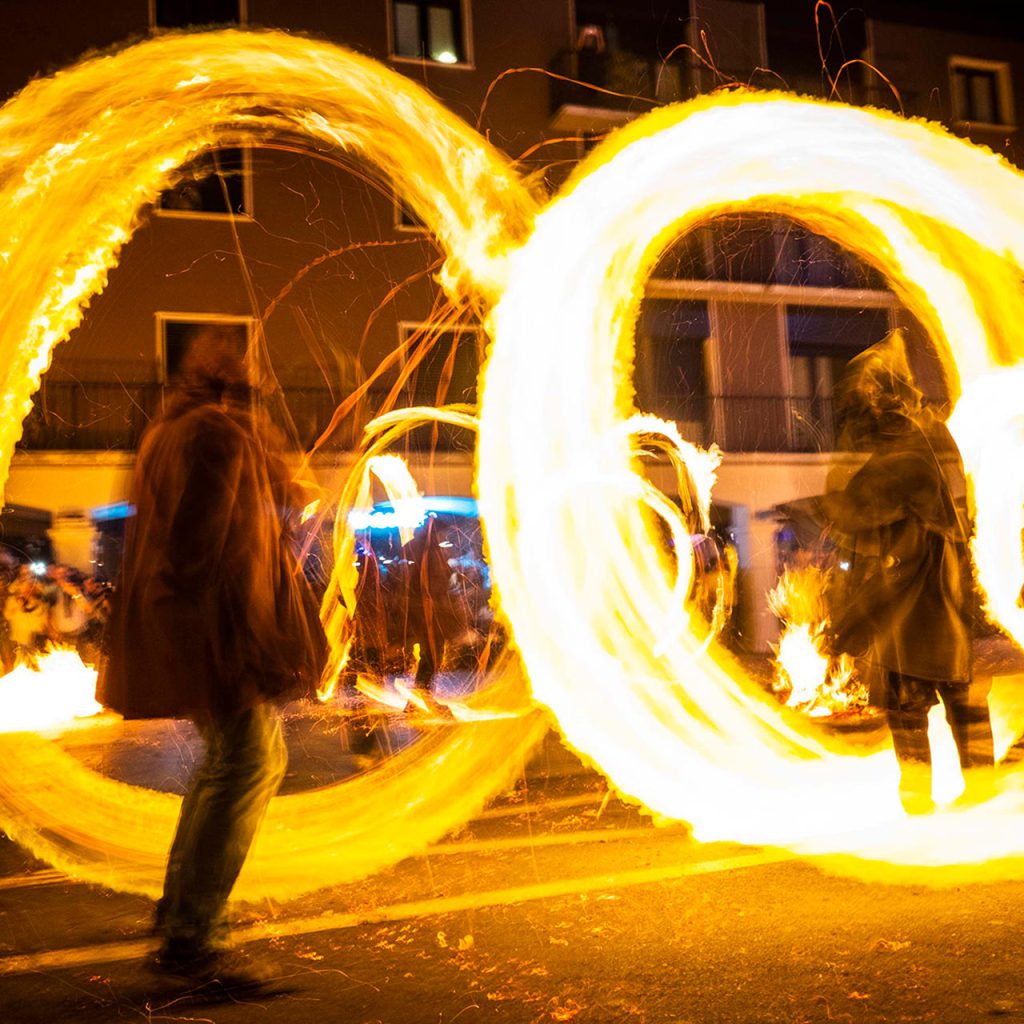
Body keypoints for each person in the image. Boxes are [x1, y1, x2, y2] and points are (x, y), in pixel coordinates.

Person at [98, 325, 326, 986]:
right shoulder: (215, 434)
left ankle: (179, 916)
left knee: (232, 761)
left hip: (196, 628)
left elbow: (245, 504)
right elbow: (201, 543)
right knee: (249, 761)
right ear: (235, 384)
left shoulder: (173, 431)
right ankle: (191, 939)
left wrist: (279, 477)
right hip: (217, 632)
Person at [822, 331, 992, 814]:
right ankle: (964, 792)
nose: (865, 407)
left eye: (870, 395)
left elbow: (869, 499)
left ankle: (945, 797)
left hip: (921, 586)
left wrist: (834, 504)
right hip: (930, 584)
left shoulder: (914, 443)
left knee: (920, 692)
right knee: (938, 690)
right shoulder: (925, 435)